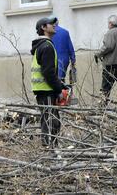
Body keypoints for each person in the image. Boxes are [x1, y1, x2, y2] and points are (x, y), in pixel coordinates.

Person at [31, 17, 67, 148]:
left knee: (52, 121)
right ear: (43, 28)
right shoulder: (47, 46)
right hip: (46, 90)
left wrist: (60, 85)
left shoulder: (44, 45)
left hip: (44, 89)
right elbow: (48, 73)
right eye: (50, 24)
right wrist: (59, 90)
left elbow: (47, 71)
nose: (53, 25)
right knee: (50, 122)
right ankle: (49, 151)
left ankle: (52, 149)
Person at [49, 16, 76, 82]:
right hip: (63, 61)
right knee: (61, 80)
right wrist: (73, 60)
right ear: (57, 22)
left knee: (53, 81)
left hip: (51, 60)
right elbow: (70, 47)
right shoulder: (65, 32)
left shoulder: (48, 33)